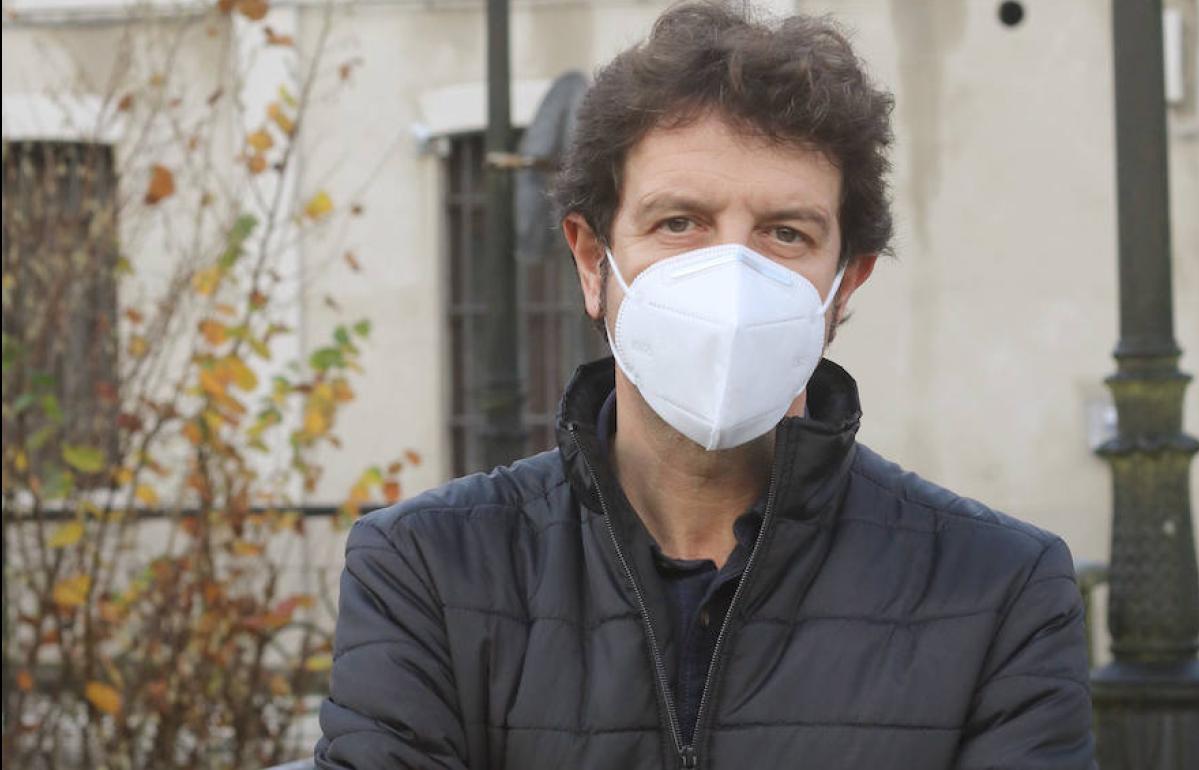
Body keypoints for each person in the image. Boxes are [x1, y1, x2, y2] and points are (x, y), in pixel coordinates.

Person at [316, 3, 1096, 768]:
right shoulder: (429, 570)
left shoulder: (995, 592)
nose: (730, 274)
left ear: (845, 284)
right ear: (593, 262)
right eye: (679, 223)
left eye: (785, 233)